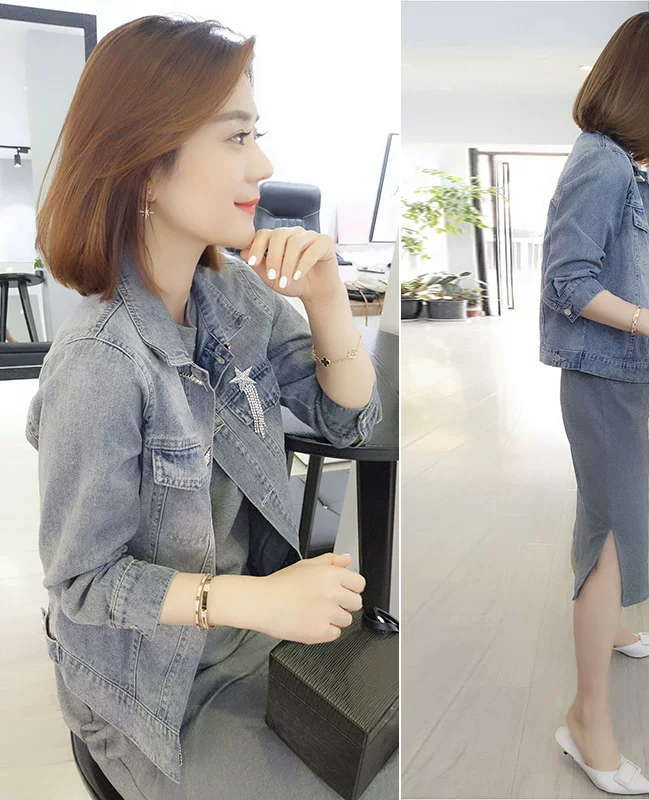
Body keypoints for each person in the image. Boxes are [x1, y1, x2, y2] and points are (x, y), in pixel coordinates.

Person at [27, 15, 397, 799]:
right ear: (144, 168)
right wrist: (259, 600)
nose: (263, 163)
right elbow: (82, 585)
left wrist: (327, 299)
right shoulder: (99, 362)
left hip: (252, 634)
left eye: (256, 135)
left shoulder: (234, 301)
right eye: (236, 138)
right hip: (153, 686)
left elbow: (348, 420)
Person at [539, 12, 649, 796]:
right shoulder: (604, 166)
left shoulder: (615, 166)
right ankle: (587, 722)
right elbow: (568, 281)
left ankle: (608, 627)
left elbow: (617, 264)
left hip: (615, 375)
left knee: (604, 517)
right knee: (611, 536)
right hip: (604, 378)